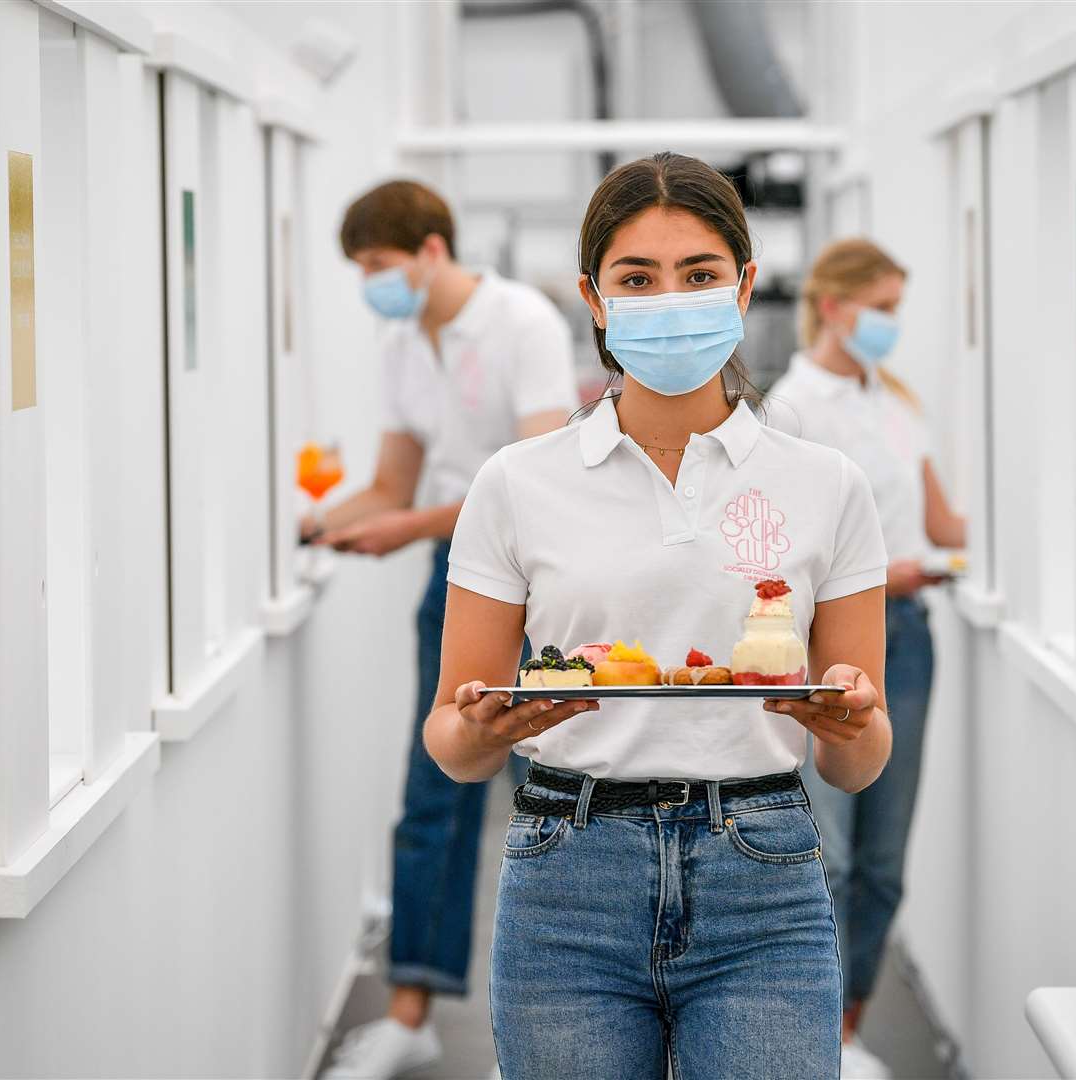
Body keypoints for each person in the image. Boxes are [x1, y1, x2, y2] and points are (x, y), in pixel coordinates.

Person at [423, 152, 894, 1080]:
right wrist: (486, 727)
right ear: (594, 299)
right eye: (637, 279)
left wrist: (850, 717)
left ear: (745, 287)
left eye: (700, 274)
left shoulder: (826, 486)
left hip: (763, 875)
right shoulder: (516, 484)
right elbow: (451, 739)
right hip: (567, 878)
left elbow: (859, 764)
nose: (669, 298)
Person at [311, 179, 578, 1079]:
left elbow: (535, 489)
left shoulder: (523, 325)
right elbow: (391, 484)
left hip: (547, 589)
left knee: (561, 801)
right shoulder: (403, 341)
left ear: (431, 250)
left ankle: (549, 1035)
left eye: (379, 267)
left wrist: (405, 525)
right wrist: (313, 523)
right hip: (458, 581)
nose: (371, 286)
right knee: (436, 790)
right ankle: (411, 1014)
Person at [768, 238, 967, 1080]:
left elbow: (940, 520)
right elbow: (785, 553)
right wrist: (892, 570)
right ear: (838, 307)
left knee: (884, 861)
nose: (891, 323)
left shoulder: (896, 401)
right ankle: (814, 1036)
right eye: (882, 306)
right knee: (833, 851)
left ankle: (847, 1030)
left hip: (909, 635)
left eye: (897, 307)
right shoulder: (792, 408)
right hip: (830, 639)